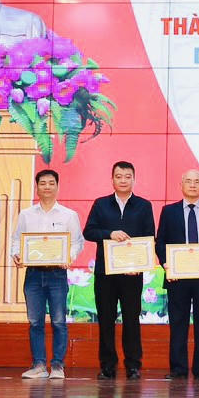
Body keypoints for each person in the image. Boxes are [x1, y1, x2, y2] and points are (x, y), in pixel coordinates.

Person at [84, 161, 156, 380]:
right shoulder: (101, 204)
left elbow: (149, 237)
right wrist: (109, 233)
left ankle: (133, 365)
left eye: (127, 176)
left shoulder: (144, 206)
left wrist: (139, 266)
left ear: (134, 179)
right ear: (112, 179)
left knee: (131, 320)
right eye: (118, 176)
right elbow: (89, 231)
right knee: (106, 320)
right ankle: (108, 366)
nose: (123, 180)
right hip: (105, 273)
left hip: (132, 274)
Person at [10, 169, 83, 380]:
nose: (47, 187)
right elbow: (17, 240)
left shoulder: (69, 215)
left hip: (57, 274)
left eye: (51, 183)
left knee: (59, 321)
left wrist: (69, 256)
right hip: (33, 274)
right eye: (43, 183)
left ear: (57, 186)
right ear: (37, 187)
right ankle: (39, 365)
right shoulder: (26, 214)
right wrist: (16, 254)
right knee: (35, 322)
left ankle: (58, 365)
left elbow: (77, 242)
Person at [157, 169, 199, 380]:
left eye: (197, 181)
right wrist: (166, 265)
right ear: (181, 185)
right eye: (188, 181)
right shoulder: (169, 211)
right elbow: (161, 242)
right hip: (177, 277)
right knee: (178, 323)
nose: (193, 185)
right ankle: (178, 369)